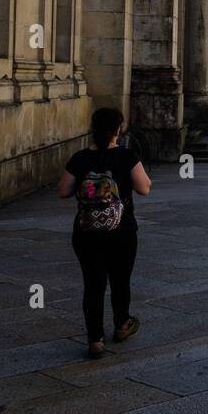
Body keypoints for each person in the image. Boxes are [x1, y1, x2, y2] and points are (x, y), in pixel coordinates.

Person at [58, 107, 151, 360]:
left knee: (93, 284)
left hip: (87, 232)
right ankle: (121, 325)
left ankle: (95, 339)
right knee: (120, 281)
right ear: (118, 130)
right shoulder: (126, 156)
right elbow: (144, 189)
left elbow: (63, 191)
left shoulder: (79, 158)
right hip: (121, 231)